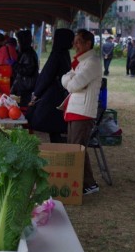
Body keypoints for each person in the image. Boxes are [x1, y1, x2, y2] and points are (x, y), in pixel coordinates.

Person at [59, 29, 102, 195]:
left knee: (77, 149)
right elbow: (66, 78)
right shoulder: (81, 62)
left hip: (83, 112)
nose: (74, 45)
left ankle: (89, 183)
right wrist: (71, 80)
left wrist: (71, 80)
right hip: (75, 110)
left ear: (87, 43)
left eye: (78, 42)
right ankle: (84, 182)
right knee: (76, 148)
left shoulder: (92, 62)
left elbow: (72, 84)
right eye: (74, 42)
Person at [28, 28, 74, 143]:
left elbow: (47, 76)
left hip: (52, 97)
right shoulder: (65, 54)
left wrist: (36, 93)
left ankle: (58, 151)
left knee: (52, 127)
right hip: (60, 94)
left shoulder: (57, 54)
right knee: (55, 128)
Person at [11, 30, 39, 107]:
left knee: (22, 107)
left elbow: (28, 70)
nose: (18, 43)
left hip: (26, 88)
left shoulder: (28, 54)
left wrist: (15, 64)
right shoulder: (24, 52)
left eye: (18, 41)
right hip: (22, 86)